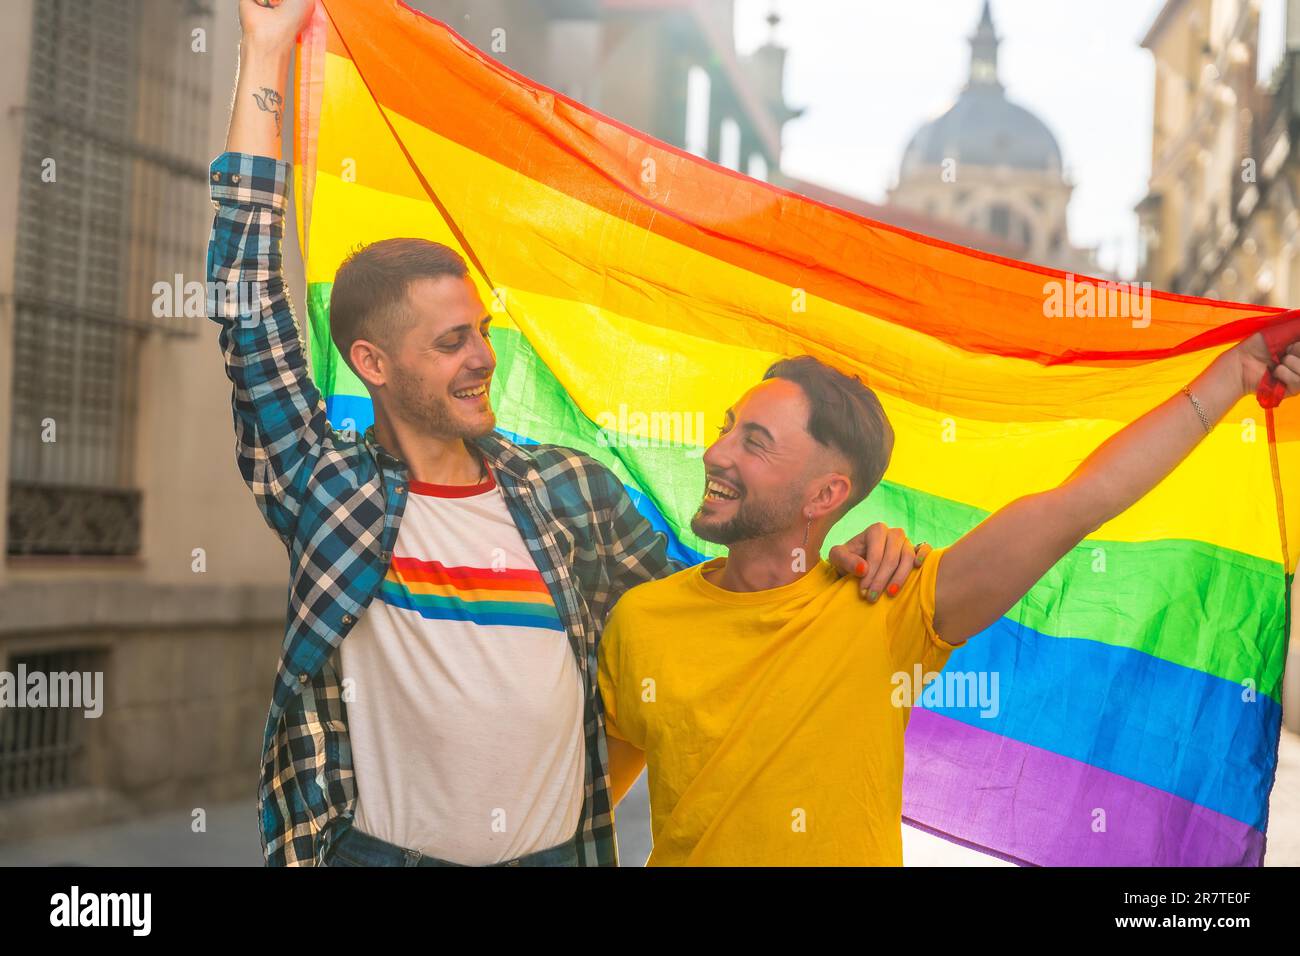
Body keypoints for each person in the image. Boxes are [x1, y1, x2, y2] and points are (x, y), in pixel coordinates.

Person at [210, 0, 922, 867]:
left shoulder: (568, 490)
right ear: (372, 363)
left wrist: (839, 555)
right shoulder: (326, 489)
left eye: (481, 330)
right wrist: (264, 50)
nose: (483, 358)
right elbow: (247, 309)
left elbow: (719, 604)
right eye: (450, 343)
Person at [598, 338, 1300, 865]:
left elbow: (1079, 503)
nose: (715, 453)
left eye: (753, 442)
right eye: (725, 427)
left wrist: (1234, 375)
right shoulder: (641, 621)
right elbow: (576, 808)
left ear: (825, 497)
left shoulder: (888, 605)